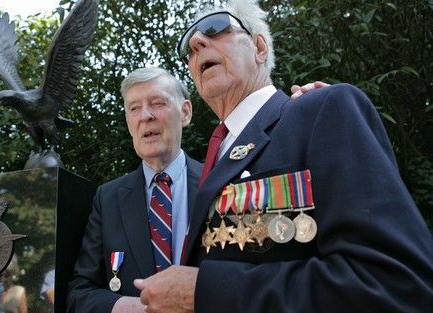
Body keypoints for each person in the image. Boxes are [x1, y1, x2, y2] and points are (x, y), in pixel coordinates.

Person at [132, 1, 433, 312]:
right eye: (189, 49)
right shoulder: (218, 155)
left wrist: (203, 291)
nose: (196, 44)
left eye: (216, 28)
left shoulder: (322, 109)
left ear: (260, 48)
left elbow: (394, 282)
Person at [67, 67, 202, 313]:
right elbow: (80, 292)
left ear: (185, 112)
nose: (145, 116)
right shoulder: (107, 198)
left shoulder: (219, 183)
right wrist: (139, 308)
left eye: (157, 103)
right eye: (134, 108)